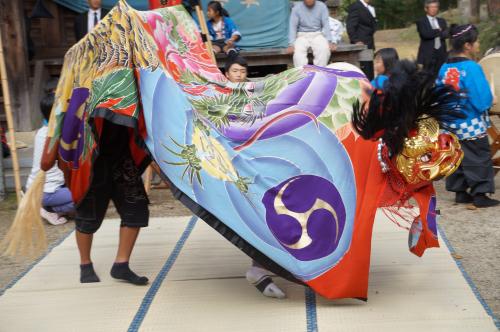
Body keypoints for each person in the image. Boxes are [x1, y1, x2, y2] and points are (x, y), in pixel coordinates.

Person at [224, 56, 286, 299]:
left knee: (268, 212)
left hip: (259, 159)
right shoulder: (218, 94)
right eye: (235, 71)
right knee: (255, 216)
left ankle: (261, 268)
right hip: (234, 162)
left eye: (242, 71)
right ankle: (260, 267)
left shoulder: (254, 94)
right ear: (227, 73)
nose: (239, 75)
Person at [75, 120, 151, 284]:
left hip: (122, 156)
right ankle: (85, 264)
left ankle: (121, 264)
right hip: (92, 159)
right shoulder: (80, 93)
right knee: (87, 215)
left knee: (136, 208)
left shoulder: (129, 93)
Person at [437, 24, 499, 208]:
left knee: (456, 155)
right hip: (469, 122)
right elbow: (481, 99)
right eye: (476, 41)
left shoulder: (443, 68)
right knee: (478, 156)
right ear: (467, 46)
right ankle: (480, 194)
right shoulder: (471, 67)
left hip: (448, 123)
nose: (479, 44)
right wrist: (490, 100)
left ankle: (460, 192)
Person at [26, 93, 74, 226]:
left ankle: (46, 206)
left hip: (36, 187)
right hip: (47, 190)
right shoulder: (55, 135)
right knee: (87, 196)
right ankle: (52, 210)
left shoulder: (41, 131)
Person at [287, 0, 337, 68]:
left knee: (324, 49)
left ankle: (319, 73)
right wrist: (291, 44)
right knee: (298, 53)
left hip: (317, 34)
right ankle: (303, 74)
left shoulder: (322, 6)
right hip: (302, 35)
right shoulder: (296, 8)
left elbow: (326, 25)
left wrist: (330, 41)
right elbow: (293, 27)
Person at [346, 0, 377, 80]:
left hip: (369, 43)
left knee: (369, 71)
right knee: (364, 72)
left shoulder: (369, 7)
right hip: (361, 44)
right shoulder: (356, 6)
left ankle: (371, 91)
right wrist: (356, 40)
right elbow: (350, 26)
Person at [416, 0, 448, 73]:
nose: (434, 9)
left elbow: (446, 34)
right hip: (427, 54)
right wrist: (438, 30)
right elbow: (425, 34)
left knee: (441, 74)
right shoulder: (421, 21)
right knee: (427, 77)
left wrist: (433, 32)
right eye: (432, 7)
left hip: (441, 53)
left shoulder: (442, 21)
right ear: (426, 9)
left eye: (436, 7)